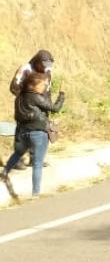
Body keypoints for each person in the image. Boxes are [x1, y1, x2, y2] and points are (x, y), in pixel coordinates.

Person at [1, 72, 64, 200]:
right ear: (33, 85)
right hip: (38, 133)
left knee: (17, 154)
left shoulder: (19, 97)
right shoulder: (35, 97)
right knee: (37, 163)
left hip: (22, 132)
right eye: (42, 84)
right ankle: (35, 194)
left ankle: (5, 172)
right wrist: (62, 95)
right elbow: (55, 108)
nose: (44, 87)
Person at [8, 50, 54, 170]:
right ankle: (17, 161)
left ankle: (35, 160)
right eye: (43, 65)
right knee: (22, 135)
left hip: (41, 108)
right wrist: (28, 99)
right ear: (37, 62)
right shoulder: (26, 69)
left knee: (40, 133)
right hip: (25, 108)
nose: (45, 68)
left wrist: (49, 105)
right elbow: (14, 88)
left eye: (47, 65)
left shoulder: (48, 71)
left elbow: (48, 89)